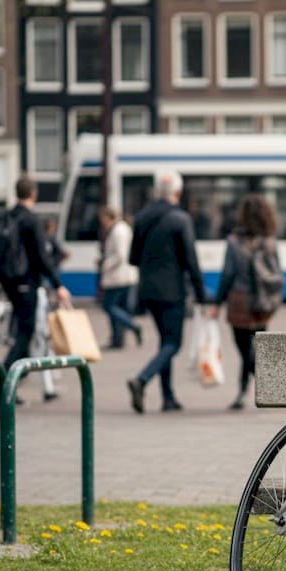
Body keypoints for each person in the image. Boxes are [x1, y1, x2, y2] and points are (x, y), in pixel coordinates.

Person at [127, 171, 206, 414]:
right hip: (172, 292)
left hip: (147, 291)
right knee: (173, 343)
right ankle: (142, 379)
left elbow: (133, 258)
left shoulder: (141, 217)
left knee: (164, 342)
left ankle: (168, 397)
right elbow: (191, 260)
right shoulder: (180, 219)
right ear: (178, 193)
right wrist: (201, 294)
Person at [208, 194, 282, 410]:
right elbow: (277, 272)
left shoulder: (233, 242)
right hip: (263, 303)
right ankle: (262, 389)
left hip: (239, 303)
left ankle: (250, 391)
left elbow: (227, 275)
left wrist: (217, 303)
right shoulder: (269, 242)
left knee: (245, 351)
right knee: (256, 348)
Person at [0, 177, 72, 384]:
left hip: (9, 280)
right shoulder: (31, 220)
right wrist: (58, 285)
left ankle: (10, 382)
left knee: (23, 329)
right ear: (33, 194)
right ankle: (4, 381)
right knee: (26, 332)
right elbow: (42, 256)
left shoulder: (7, 216)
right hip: (26, 280)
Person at [97, 206, 141, 350]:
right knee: (118, 307)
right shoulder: (121, 229)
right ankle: (118, 339)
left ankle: (132, 325)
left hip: (118, 277)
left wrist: (105, 265)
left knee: (109, 306)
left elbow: (120, 256)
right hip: (122, 276)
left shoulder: (118, 232)